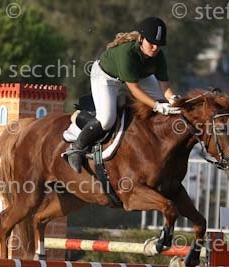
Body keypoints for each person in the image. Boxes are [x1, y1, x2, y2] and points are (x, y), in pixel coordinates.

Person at [62, 17, 181, 173]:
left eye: (159, 45)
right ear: (141, 39)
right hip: (106, 77)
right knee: (107, 120)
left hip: (137, 76)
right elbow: (135, 89)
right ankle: (76, 148)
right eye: (151, 43)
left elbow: (165, 87)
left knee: (164, 100)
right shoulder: (127, 53)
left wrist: (174, 100)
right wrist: (157, 106)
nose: (155, 48)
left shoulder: (158, 56)